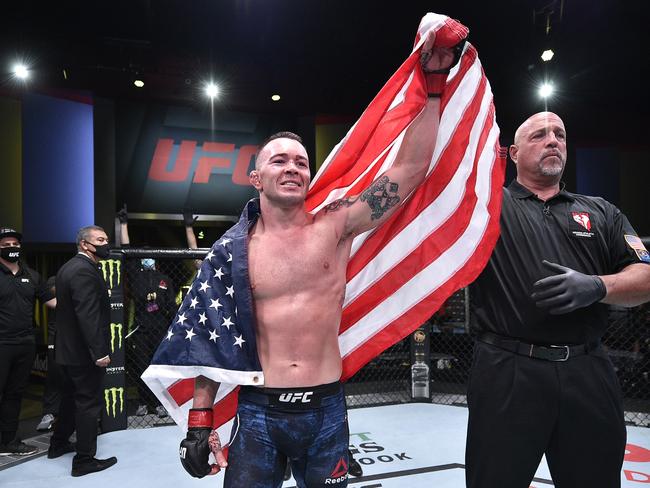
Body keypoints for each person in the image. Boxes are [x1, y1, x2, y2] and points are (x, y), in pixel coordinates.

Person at [176, 31, 458, 487]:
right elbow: (213, 341)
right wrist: (200, 419)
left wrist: (434, 86)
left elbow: (409, 172)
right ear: (255, 178)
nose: (292, 168)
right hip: (258, 410)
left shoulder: (336, 225)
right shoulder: (233, 251)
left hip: (325, 407)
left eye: (301, 162)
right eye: (279, 161)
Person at [466, 112, 650, 488]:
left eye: (560, 134)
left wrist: (598, 286)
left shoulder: (602, 211)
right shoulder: (486, 206)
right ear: (513, 153)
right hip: (508, 370)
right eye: (540, 135)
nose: (553, 140)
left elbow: (646, 275)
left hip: (587, 369)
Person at [47, 225, 118, 476]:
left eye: (107, 239)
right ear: (84, 244)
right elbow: (88, 315)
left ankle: (58, 444)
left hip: (68, 351)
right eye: (100, 239)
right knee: (89, 403)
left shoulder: (70, 267)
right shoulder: (83, 270)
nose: (105, 243)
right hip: (83, 353)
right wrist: (99, 352)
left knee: (69, 398)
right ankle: (85, 460)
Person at [0, 227, 55, 455]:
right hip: (1, 344)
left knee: (15, 394)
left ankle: (9, 442)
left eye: (15, 244)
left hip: (25, 344)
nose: (11, 248)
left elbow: (52, 301)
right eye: (6, 245)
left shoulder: (31, 275)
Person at [117, 206, 176, 417]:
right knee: (141, 367)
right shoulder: (136, 275)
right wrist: (124, 224)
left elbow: (172, 305)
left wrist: (167, 311)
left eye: (150, 256)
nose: (147, 259)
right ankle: (143, 403)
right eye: (144, 256)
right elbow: (126, 251)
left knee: (158, 368)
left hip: (160, 329)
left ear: (156, 259)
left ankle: (159, 404)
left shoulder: (165, 279)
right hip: (141, 329)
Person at [37, 276, 66, 432]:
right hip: (56, 335)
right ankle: (49, 413)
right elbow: (50, 292)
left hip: (73, 336)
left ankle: (69, 415)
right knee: (55, 374)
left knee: (74, 377)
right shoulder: (55, 279)